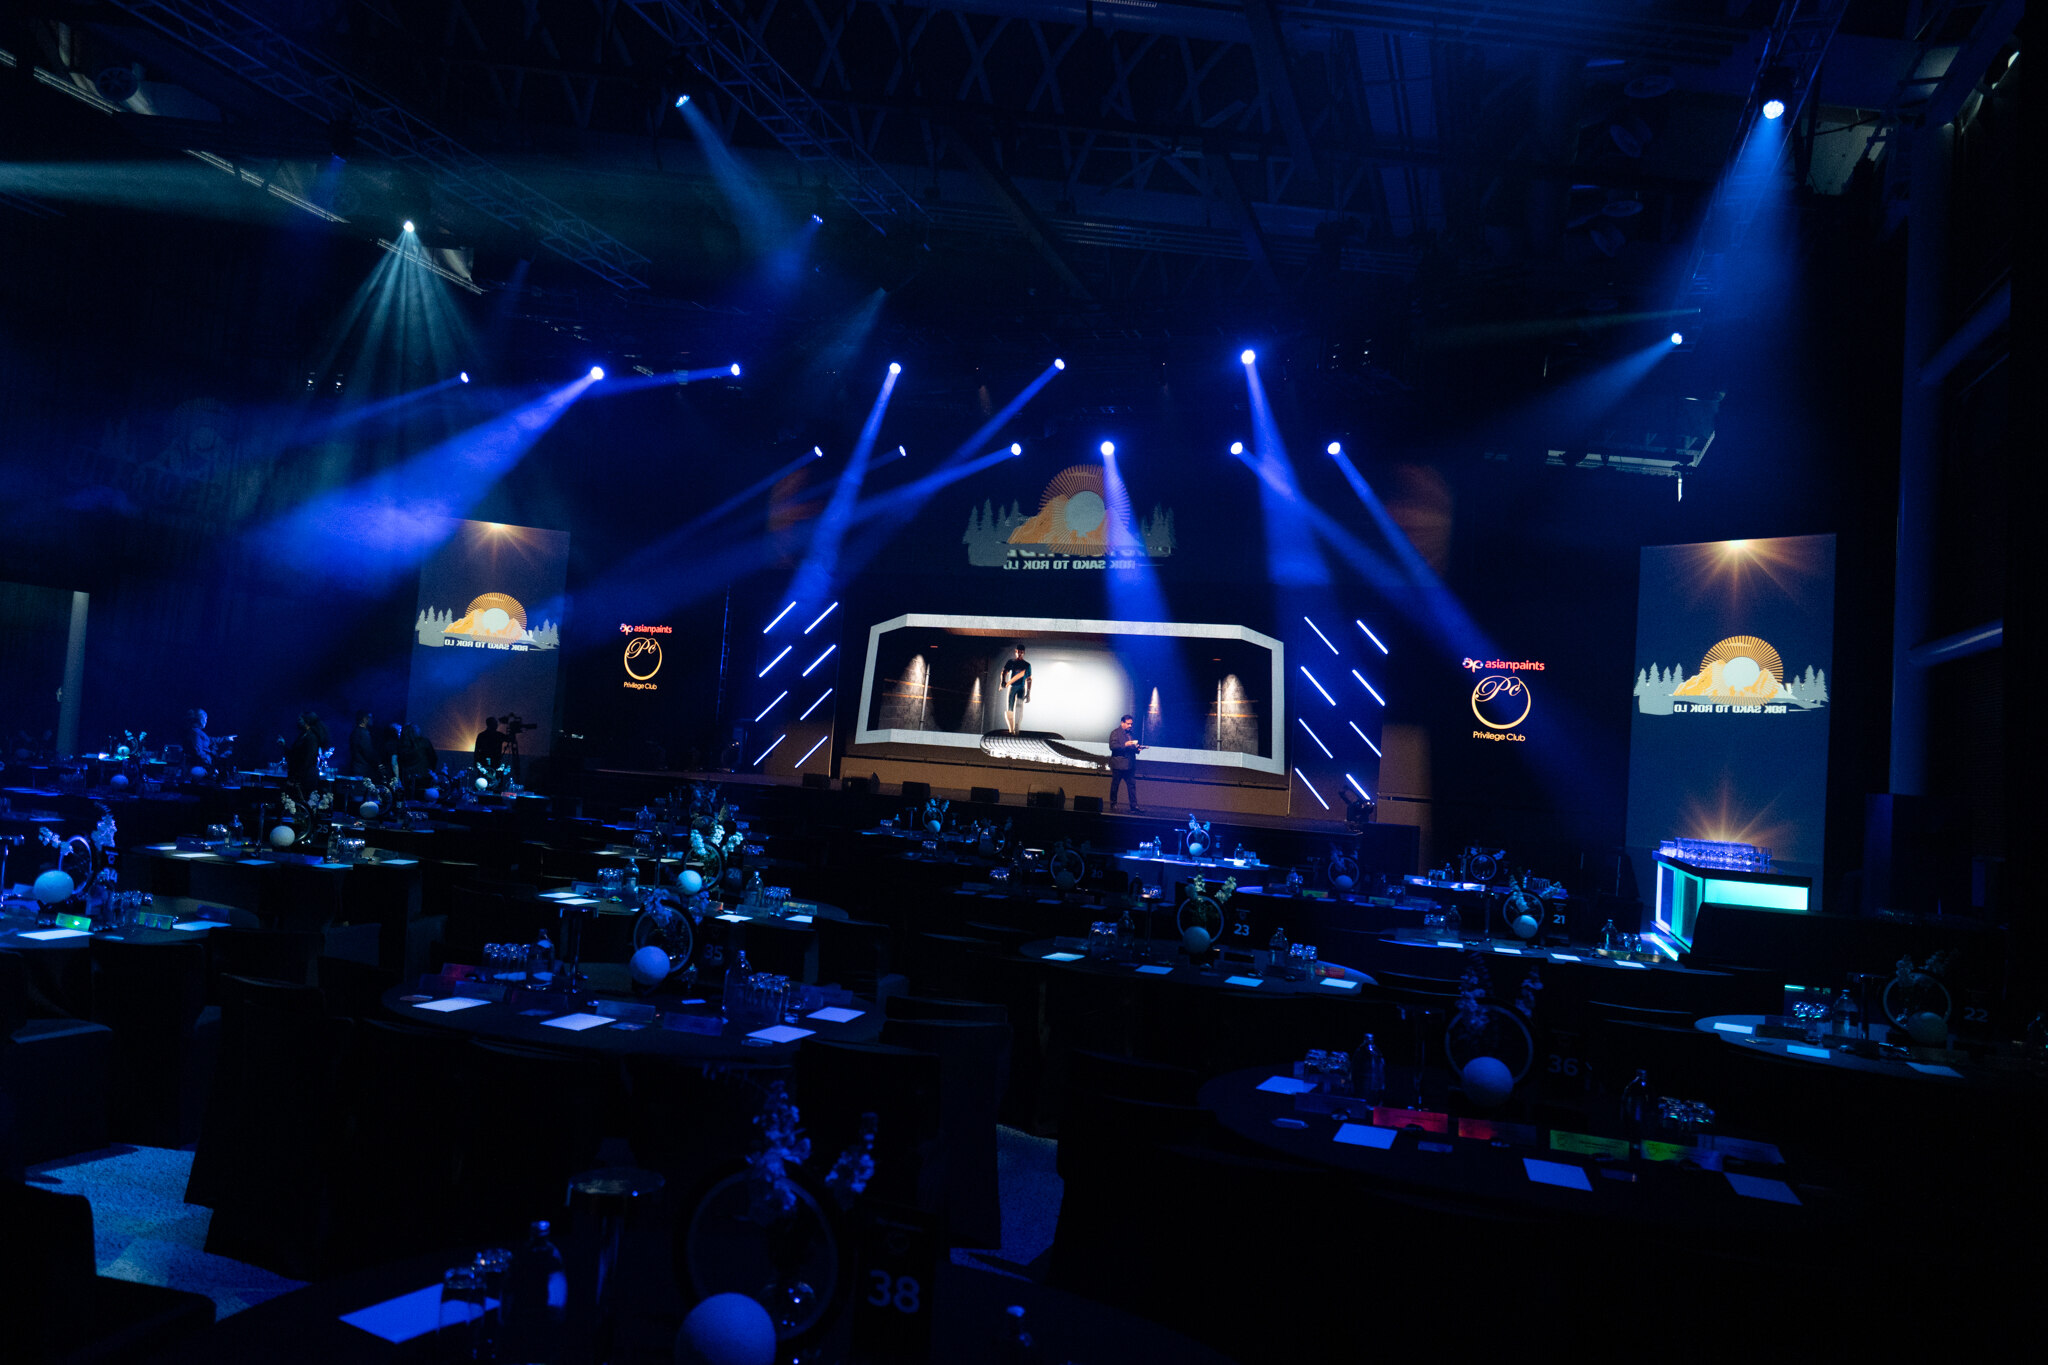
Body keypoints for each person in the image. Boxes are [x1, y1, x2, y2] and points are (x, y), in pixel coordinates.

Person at [1107, 713, 1144, 812]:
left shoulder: (1131, 734)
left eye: (1131, 724)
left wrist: (1137, 749)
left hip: (1130, 765)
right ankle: (1113, 804)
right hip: (1118, 764)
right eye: (1128, 724)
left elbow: (1131, 748)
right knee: (1115, 785)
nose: (1130, 726)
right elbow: (1113, 747)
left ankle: (1134, 806)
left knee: (1132, 786)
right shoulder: (1115, 733)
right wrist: (1125, 745)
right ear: (1122, 723)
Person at [285, 711, 328, 790]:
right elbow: (294, 756)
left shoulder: (311, 738)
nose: (298, 721)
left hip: (306, 777)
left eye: (300, 719)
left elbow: (308, 759)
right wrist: (283, 746)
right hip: (301, 775)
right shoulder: (303, 736)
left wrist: (296, 778)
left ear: (306, 721)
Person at [396, 723, 437, 791]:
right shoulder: (424, 742)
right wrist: (430, 770)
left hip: (408, 776)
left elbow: (401, 761)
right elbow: (433, 757)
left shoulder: (402, 745)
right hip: (424, 774)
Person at [1000, 646, 1032, 735]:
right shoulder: (1011, 662)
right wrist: (1003, 680)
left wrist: (1028, 693)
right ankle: (1011, 730)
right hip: (1012, 687)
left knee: (1019, 706)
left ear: (1024, 652)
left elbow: (1029, 679)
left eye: (1021, 652)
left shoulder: (1027, 665)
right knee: (1009, 708)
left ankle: (1016, 728)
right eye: (1018, 652)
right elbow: (1005, 671)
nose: (1019, 653)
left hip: (1021, 687)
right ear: (1016, 651)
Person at [346, 710, 379, 778]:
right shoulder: (363, 733)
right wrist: (378, 763)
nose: (371, 720)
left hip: (356, 768)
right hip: (363, 770)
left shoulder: (354, 732)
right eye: (370, 717)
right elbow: (368, 752)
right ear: (364, 719)